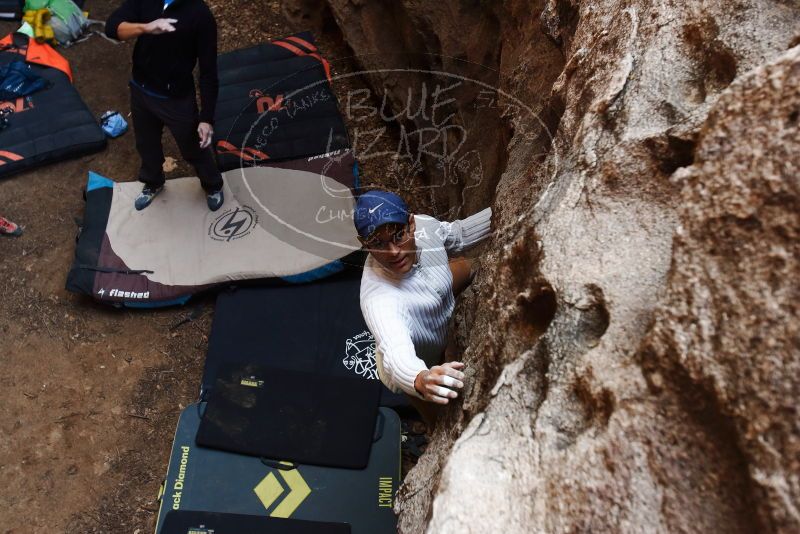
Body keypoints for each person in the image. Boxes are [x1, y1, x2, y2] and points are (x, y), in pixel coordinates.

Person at [355, 190, 492, 420]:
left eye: (398, 236)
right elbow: (396, 350)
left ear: (411, 223)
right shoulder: (379, 300)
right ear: (364, 245)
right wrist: (420, 378)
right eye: (378, 244)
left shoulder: (425, 226)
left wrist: (509, 203)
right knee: (436, 415)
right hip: (422, 355)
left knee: (472, 264)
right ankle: (430, 423)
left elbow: (457, 235)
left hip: (439, 296)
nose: (394, 252)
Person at [106, 0, 224, 212]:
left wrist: (207, 119)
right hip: (141, 90)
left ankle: (212, 185)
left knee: (193, 148)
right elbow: (112, 27)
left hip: (176, 99)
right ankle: (153, 182)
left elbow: (208, 73)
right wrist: (146, 27)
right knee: (146, 144)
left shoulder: (200, 14)